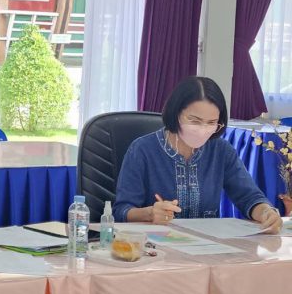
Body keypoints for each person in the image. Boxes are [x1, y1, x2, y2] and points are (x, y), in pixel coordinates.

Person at [114, 76, 282, 233]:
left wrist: (267, 212)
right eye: (195, 121)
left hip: (209, 246)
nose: (203, 129)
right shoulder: (142, 150)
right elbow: (121, 211)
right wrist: (150, 213)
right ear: (176, 113)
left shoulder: (221, 151)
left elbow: (249, 197)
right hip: (153, 246)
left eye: (211, 122)